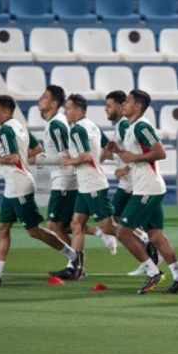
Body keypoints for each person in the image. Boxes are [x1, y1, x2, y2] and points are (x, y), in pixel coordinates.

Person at [0, 95, 80, 287]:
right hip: (12, 186)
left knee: (34, 231)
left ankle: (73, 255)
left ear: (6, 111)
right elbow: (37, 148)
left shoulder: (6, 130)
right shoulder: (20, 126)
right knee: (2, 227)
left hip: (19, 185)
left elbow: (13, 158)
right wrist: (21, 157)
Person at [115, 89, 178, 294]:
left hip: (148, 189)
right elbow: (138, 156)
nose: (124, 104)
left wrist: (133, 159)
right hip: (147, 187)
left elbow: (160, 152)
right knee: (156, 236)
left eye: (128, 101)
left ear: (137, 106)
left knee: (122, 231)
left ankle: (152, 272)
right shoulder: (131, 127)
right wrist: (127, 167)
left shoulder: (141, 126)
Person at [28, 85, 117, 256]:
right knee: (71, 224)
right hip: (72, 177)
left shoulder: (57, 125)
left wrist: (34, 160)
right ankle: (95, 240)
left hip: (65, 179)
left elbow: (65, 155)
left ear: (54, 104)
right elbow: (103, 145)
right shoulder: (67, 123)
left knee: (55, 226)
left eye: (44, 97)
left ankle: (75, 262)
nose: (40, 99)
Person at [58, 94, 118, 280]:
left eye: (67, 108)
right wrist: (99, 161)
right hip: (87, 183)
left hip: (92, 184)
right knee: (76, 224)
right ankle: (75, 268)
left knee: (108, 227)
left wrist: (70, 161)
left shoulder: (76, 130)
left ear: (77, 110)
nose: (65, 112)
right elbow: (109, 147)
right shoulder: (92, 125)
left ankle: (145, 240)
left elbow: (86, 156)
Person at [102, 90, 159, 276]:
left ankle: (150, 257)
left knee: (124, 222)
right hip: (131, 181)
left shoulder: (128, 125)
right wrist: (112, 152)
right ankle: (150, 256)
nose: (106, 109)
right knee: (121, 219)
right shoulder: (123, 125)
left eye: (110, 105)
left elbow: (138, 151)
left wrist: (125, 169)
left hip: (134, 182)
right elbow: (126, 151)